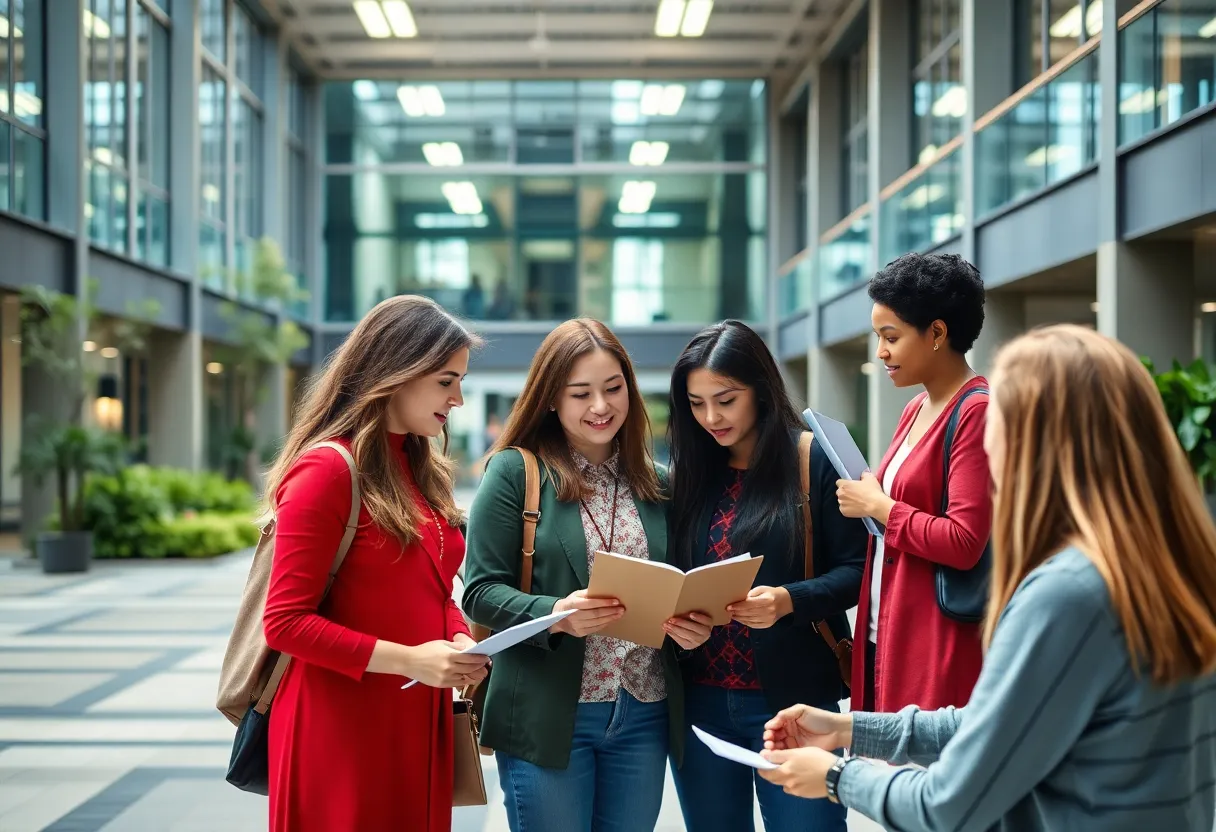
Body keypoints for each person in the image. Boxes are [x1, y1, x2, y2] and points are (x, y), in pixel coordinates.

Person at [758, 324, 1216, 831]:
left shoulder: (1069, 593)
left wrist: (835, 776)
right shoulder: (1167, 568)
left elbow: (947, 804)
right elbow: (1001, 722)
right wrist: (850, 728)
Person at [462, 318, 711, 832]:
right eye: (580, 394)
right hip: (549, 712)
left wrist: (692, 627)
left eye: (613, 388)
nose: (601, 406)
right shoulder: (515, 473)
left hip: (643, 710)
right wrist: (555, 614)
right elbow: (480, 592)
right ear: (551, 399)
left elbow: (677, 587)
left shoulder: (659, 484)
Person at [261, 296, 490, 832]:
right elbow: (284, 622)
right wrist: (410, 660)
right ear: (397, 372)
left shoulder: (419, 466)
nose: (458, 398)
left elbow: (434, 586)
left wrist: (458, 636)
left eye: (460, 381)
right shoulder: (325, 470)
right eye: (446, 381)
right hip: (340, 727)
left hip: (414, 715)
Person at [666, 320, 867, 832]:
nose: (711, 417)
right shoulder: (689, 473)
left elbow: (858, 570)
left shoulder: (813, 459)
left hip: (795, 703)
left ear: (759, 388)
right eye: (696, 403)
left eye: (726, 400)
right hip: (701, 702)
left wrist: (787, 601)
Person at [835, 252, 992, 713]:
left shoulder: (977, 412)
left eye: (891, 337)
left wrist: (878, 506)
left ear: (937, 334)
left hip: (933, 641)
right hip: (885, 628)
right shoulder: (916, 408)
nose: (880, 352)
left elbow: (964, 541)